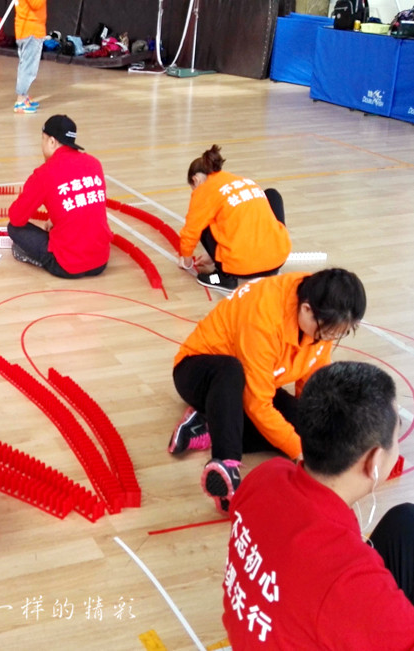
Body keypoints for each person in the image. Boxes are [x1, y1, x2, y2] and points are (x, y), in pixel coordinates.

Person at [222, 361, 414, 648]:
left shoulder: (266, 475)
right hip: (331, 599)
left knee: (404, 522)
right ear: (374, 461)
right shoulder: (346, 575)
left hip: (264, 629)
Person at [169, 269, 366, 512]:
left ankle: (208, 425)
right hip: (200, 372)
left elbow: (313, 381)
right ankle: (226, 464)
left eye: (341, 333)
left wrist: (320, 430)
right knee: (231, 372)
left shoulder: (325, 309)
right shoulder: (264, 319)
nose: (330, 338)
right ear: (306, 310)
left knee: (304, 427)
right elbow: (258, 404)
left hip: (252, 383)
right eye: (328, 332)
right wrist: (299, 451)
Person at [7, 115, 113, 278]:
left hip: (66, 265)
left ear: (51, 142)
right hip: (100, 262)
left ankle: (40, 260)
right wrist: (56, 218)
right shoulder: (94, 163)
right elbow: (83, 203)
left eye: (43, 139)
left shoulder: (44, 173)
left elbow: (16, 217)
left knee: (13, 228)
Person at [178, 144, 291, 292]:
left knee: (203, 222)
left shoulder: (204, 191)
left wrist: (186, 262)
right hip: (277, 260)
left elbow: (191, 232)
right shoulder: (243, 181)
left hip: (241, 267)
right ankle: (270, 254)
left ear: (196, 180)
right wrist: (212, 256)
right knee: (271, 195)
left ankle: (224, 278)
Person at [13, 0, 46, 113]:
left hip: (26, 29)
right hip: (31, 30)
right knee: (28, 67)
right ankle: (21, 101)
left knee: (26, 65)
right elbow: (36, 3)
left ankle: (24, 96)